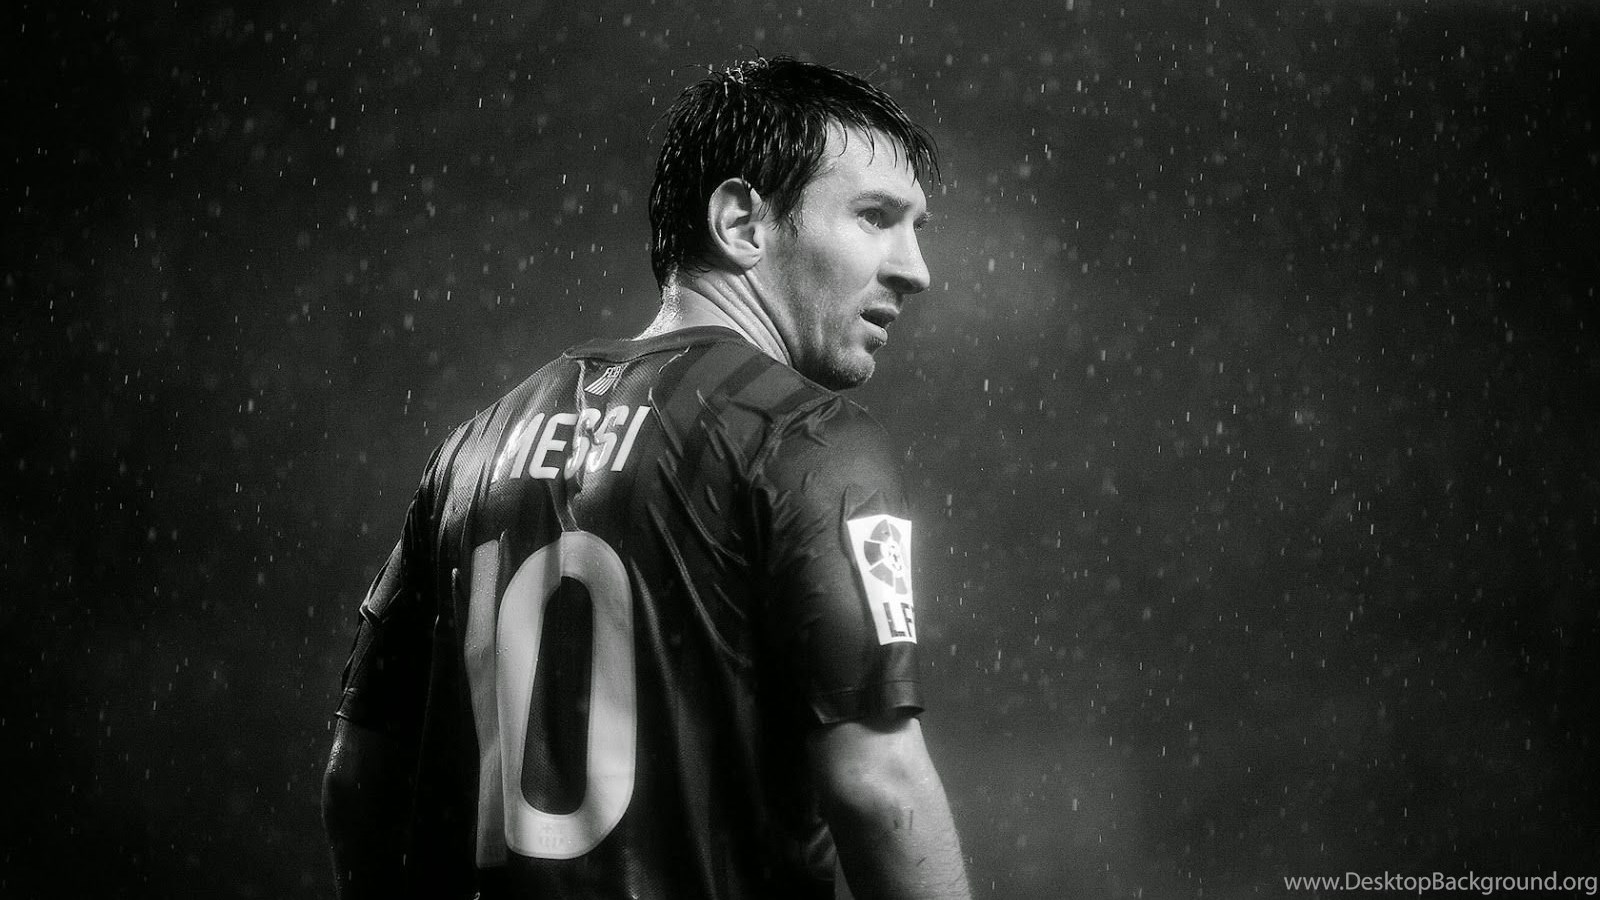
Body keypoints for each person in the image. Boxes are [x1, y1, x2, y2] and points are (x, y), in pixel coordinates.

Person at [322, 55, 971, 900]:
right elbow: (878, 785)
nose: (915, 269)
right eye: (875, 217)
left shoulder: (472, 451)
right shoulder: (808, 439)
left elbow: (357, 775)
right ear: (741, 221)